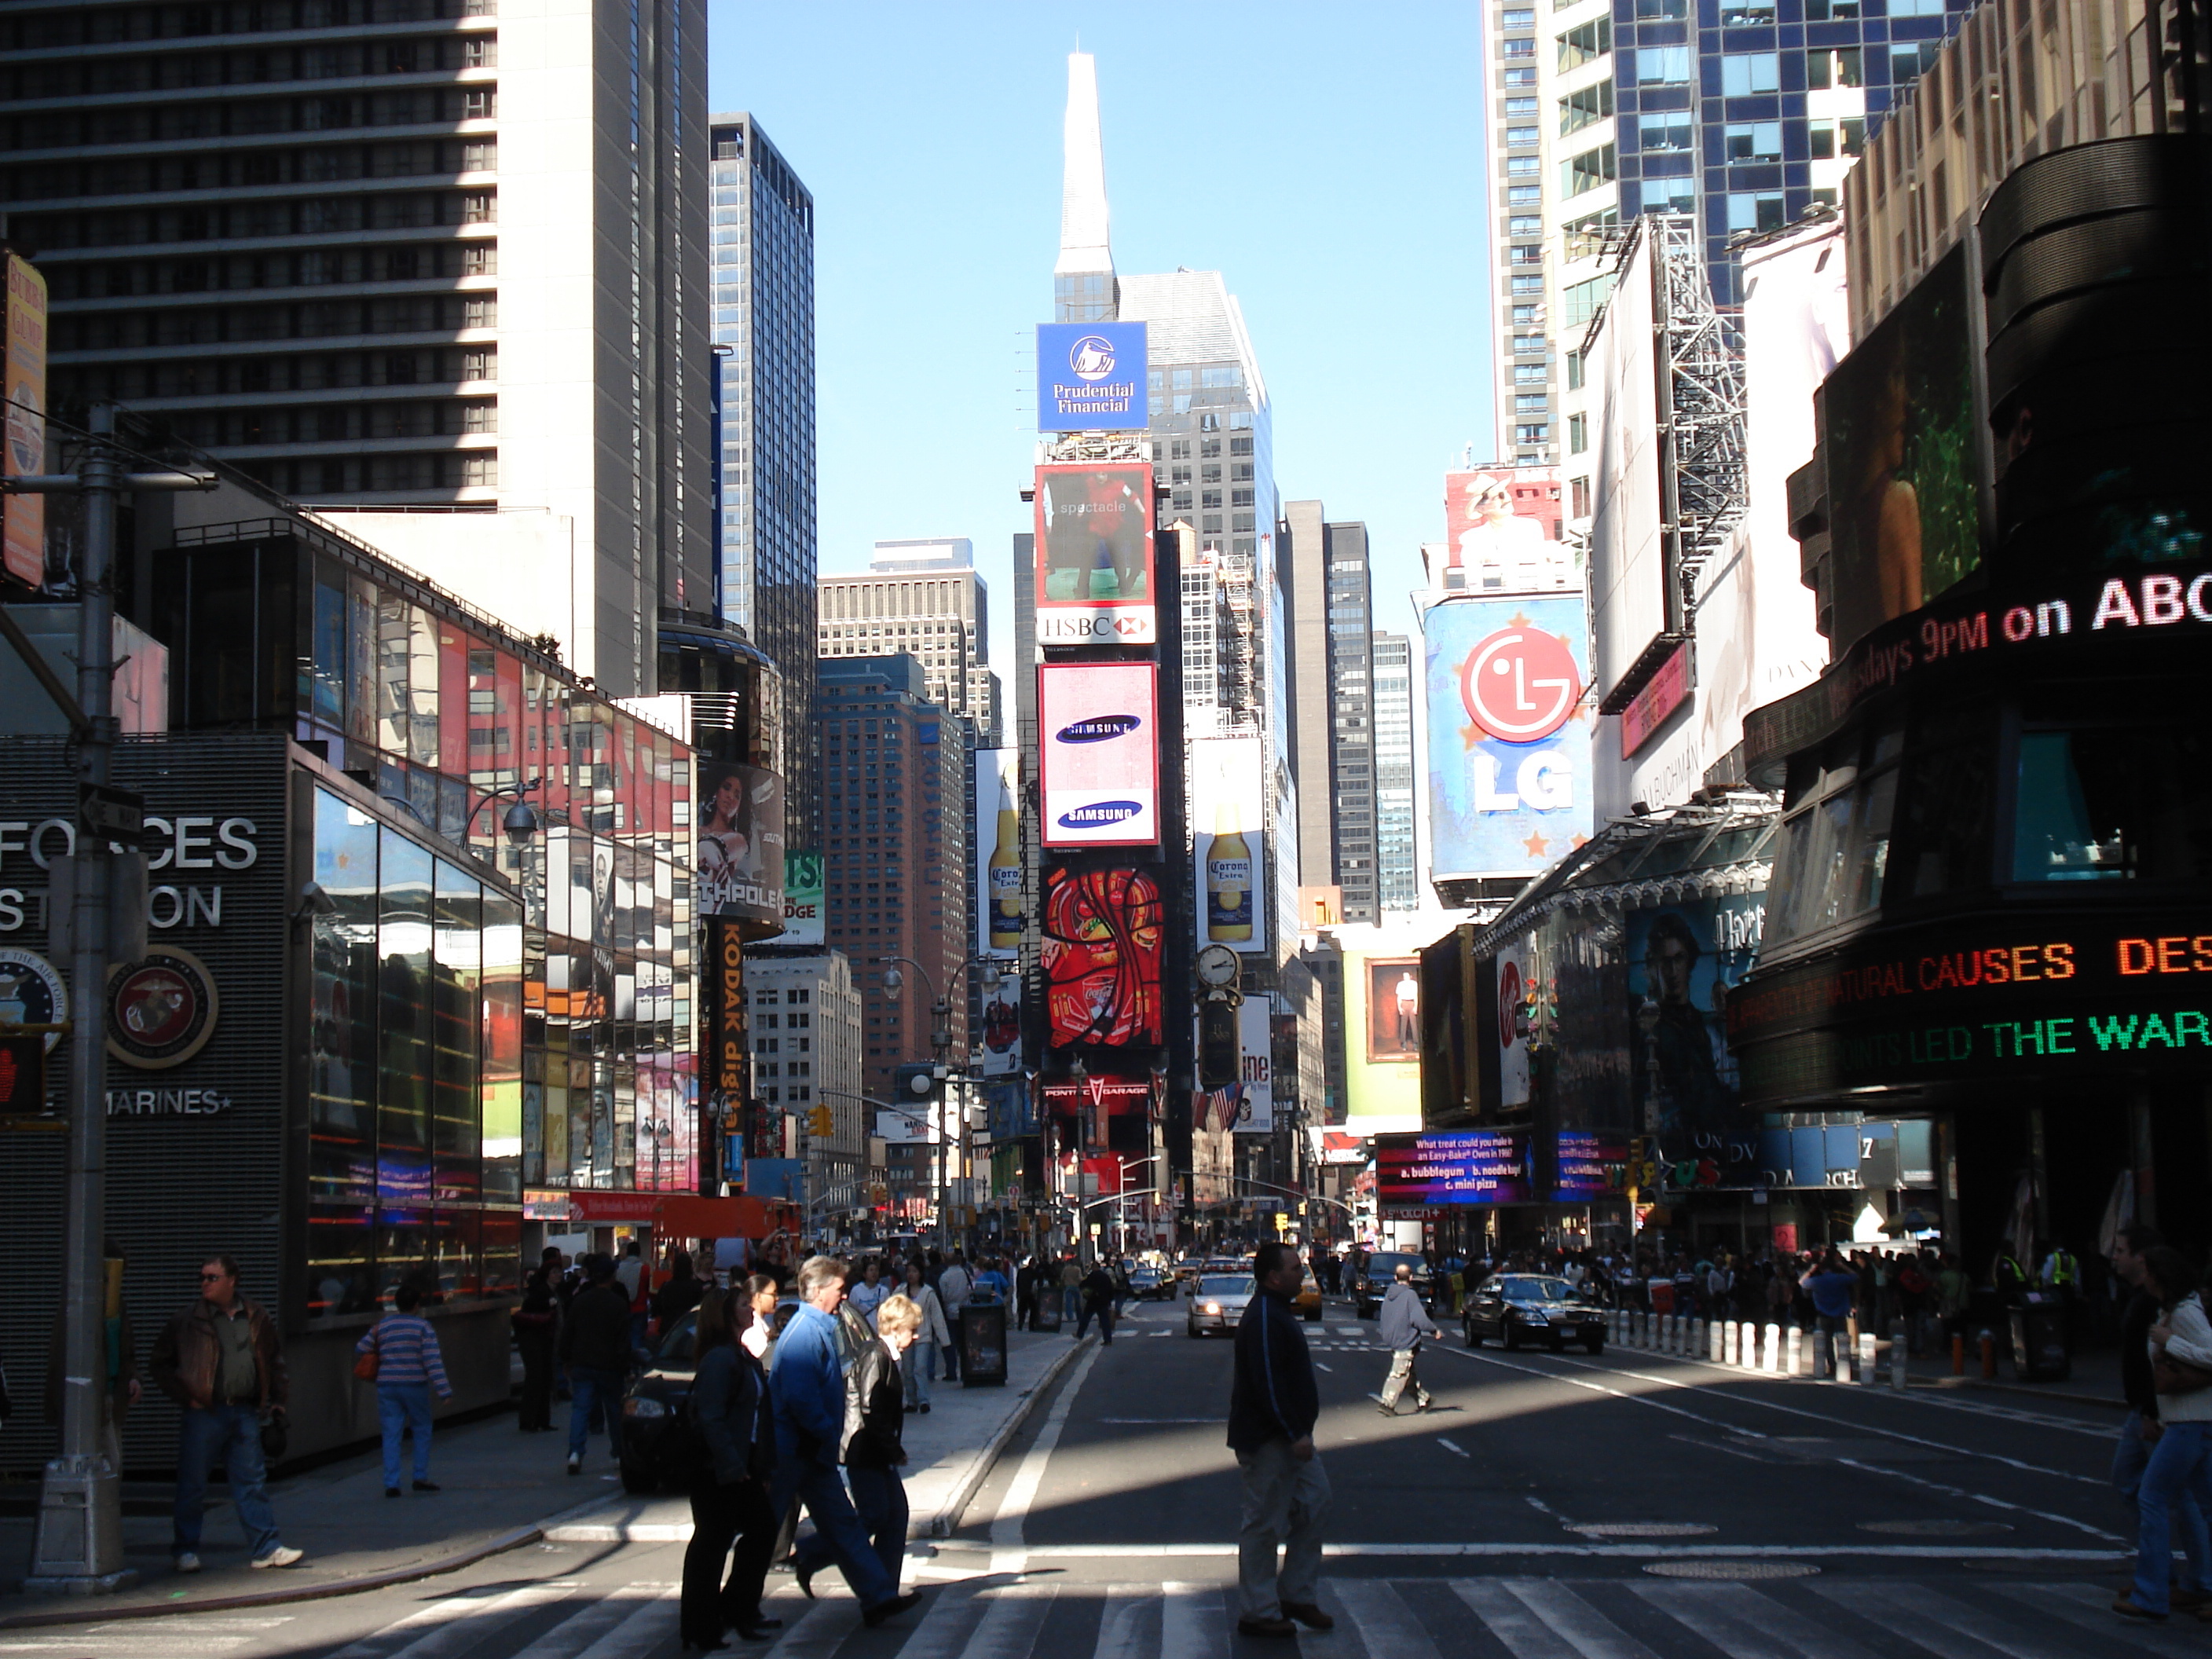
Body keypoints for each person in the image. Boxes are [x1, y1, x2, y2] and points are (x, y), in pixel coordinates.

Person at [768, 1256, 921, 1628]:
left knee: (846, 1526)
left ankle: (878, 1596)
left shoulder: (821, 1327)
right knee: (765, 1529)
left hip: (814, 1452)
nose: (844, 1296)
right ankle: (735, 1604)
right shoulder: (806, 1333)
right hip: (797, 1450)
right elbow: (801, 1398)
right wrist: (826, 1429)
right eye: (839, 1289)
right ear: (819, 1291)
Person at [150, 1255, 303, 1572]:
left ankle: (266, 1547)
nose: (205, 1283)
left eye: (212, 1277)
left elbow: (273, 1359)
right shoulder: (188, 1320)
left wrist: (278, 1400)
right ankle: (186, 1549)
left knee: (252, 1481)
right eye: (202, 1277)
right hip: (205, 1410)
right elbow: (160, 1364)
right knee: (193, 1483)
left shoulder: (255, 1316)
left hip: (244, 1409)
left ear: (232, 1280)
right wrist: (185, 1397)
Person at [1228, 1240, 1332, 1640]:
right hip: (1271, 1438)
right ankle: (1258, 1609)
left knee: (1315, 1503)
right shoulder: (1266, 1319)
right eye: (1293, 1268)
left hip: (1292, 1436)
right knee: (1264, 1524)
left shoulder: (1276, 1314)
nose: (1301, 1273)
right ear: (1273, 1276)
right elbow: (1268, 1382)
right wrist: (1293, 1433)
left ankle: (1296, 1595)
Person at [2115, 1245, 2212, 1622]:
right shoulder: (2173, 1310)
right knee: (2202, 1506)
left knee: (2151, 1497)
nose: (2144, 1275)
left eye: (2147, 1268)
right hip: (2191, 1420)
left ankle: (2152, 1594)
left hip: (2189, 1422)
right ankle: (2197, 1586)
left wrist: (2169, 1340)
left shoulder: (2185, 1313)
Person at [680, 1289, 782, 1650]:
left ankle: (738, 1610)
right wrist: (730, 1463)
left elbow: (758, 1417)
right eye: (742, 1305)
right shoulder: (720, 1361)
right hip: (719, 1471)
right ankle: (700, 1626)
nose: (751, 1309)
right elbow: (711, 1417)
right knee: (712, 1545)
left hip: (745, 1465)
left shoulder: (743, 1358)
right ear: (725, 1316)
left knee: (761, 1532)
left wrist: (762, 1467)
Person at [811, 1290, 920, 1602]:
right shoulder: (875, 1355)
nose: (914, 1337)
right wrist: (892, 1450)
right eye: (912, 1331)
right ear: (897, 1328)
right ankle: (814, 1552)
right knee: (874, 1516)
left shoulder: (883, 1355)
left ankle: (885, 1589)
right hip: (866, 1451)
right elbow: (871, 1407)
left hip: (876, 1451)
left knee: (895, 1515)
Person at [356, 1282, 453, 1497]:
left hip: (387, 1385)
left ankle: (392, 1482)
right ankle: (419, 1476)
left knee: (391, 1433)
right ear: (416, 1305)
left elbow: (361, 1347)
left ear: (396, 1303)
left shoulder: (383, 1326)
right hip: (415, 1385)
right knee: (421, 1429)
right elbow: (432, 1361)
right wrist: (443, 1390)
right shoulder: (423, 1328)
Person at [561, 1254, 634, 1475]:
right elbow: (623, 1341)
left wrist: (566, 1360)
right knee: (614, 1411)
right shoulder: (618, 1304)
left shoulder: (580, 1301)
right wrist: (626, 1368)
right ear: (612, 1277)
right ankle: (619, 1453)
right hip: (609, 1366)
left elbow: (568, 1333)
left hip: (582, 1362)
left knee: (580, 1409)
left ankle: (575, 1453)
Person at [1375, 1262, 1438, 1415]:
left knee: (1407, 1373)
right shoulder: (1410, 1295)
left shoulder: (1388, 1296)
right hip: (1406, 1340)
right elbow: (1419, 1319)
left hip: (1393, 1339)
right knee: (1399, 1373)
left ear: (1395, 1277)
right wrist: (1433, 1330)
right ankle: (1387, 1403)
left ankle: (1424, 1400)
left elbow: (1384, 1318)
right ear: (1411, 1277)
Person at [513, 1258, 561, 1433]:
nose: (558, 1276)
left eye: (559, 1272)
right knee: (536, 1378)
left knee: (542, 1378)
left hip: (540, 1338)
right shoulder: (542, 1293)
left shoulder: (547, 1292)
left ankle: (539, 1419)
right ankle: (531, 1420)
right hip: (534, 1338)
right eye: (554, 1272)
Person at [897, 1262, 949, 1413]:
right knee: (907, 1370)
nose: (911, 1275)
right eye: (908, 1272)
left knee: (920, 1367)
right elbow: (891, 1309)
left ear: (920, 1273)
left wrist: (944, 1340)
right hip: (905, 1336)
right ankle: (911, 1401)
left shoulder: (928, 1293)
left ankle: (924, 1400)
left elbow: (937, 1316)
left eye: (914, 1271)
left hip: (923, 1336)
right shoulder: (900, 1292)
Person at [1801, 1251, 1859, 1377]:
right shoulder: (1840, 1279)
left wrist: (1811, 1270)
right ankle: (1845, 1364)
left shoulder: (1817, 1281)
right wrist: (1842, 1266)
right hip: (1840, 1313)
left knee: (1827, 1342)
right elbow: (1855, 1276)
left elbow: (1802, 1282)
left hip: (1823, 1314)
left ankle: (1832, 1366)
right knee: (1843, 1341)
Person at [936, 1253, 970, 1382]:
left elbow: (943, 1296)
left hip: (950, 1311)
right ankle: (967, 1368)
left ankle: (951, 1371)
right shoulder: (964, 1273)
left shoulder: (944, 1277)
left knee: (950, 1343)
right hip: (964, 1310)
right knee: (964, 1342)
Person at [1076, 1258, 1119, 1346]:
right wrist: (1110, 1300)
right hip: (1103, 1301)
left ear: (1092, 1268)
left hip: (1093, 1300)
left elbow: (1082, 1285)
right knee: (1105, 1321)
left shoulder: (1091, 1276)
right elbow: (1110, 1289)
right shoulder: (1105, 1276)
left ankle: (1080, 1334)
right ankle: (1108, 1339)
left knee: (1085, 1318)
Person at [846, 1259, 890, 1328]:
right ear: (864, 1274)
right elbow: (851, 1311)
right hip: (863, 1328)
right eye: (871, 1270)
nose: (874, 1273)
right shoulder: (856, 1290)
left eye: (876, 1270)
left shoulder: (884, 1291)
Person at [1059, 1254, 1082, 1324]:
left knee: (1069, 1303)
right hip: (1076, 1287)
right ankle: (1079, 1316)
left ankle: (1070, 1317)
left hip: (1068, 1286)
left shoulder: (1066, 1269)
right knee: (1078, 1303)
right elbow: (1080, 1278)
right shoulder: (1077, 1269)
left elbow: (1062, 1277)